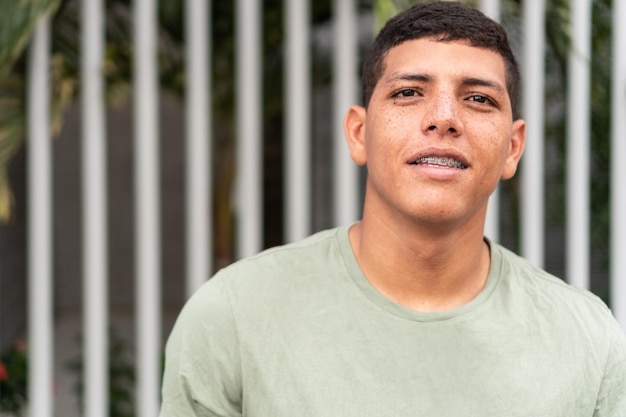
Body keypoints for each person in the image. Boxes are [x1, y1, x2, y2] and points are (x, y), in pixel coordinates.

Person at [160, 1, 626, 416]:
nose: (444, 117)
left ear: (513, 147)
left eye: (478, 99)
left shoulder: (587, 340)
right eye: (408, 92)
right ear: (359, 133)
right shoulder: (235, 317)